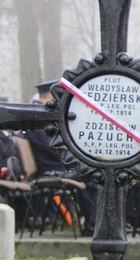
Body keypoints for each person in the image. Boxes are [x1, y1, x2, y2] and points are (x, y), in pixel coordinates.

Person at [25, 80, 97, 236]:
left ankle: (93, 224)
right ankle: (93, 225)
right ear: (52, 95)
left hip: (58, 166)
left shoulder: (43, 113)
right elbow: (50, 147)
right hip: (51, 167)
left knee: (94, 174)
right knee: (94, 176)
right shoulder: (40, 115)